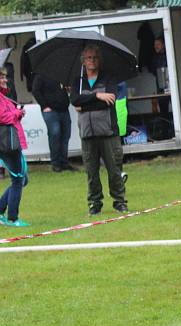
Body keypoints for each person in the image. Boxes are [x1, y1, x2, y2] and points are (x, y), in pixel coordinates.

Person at [71, 44, 127, 215]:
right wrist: (97, 96)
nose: (92, 61)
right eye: (88, 58)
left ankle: (120, 202)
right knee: (91, 172)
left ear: (99, 60)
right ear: (83, 61)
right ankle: (95, 204)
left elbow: (110, 99)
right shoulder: (78, 82)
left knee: (114, 169)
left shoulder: (109, 77)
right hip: (87, 133)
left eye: (95, 57)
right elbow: (75, 100)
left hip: (108, 131)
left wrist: (85, 103)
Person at [0, 66, 30, 227]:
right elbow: (4, 117)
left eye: (5, 76)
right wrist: (18, 113)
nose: (5, 80)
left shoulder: (4, 97)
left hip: (13, 142)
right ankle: (13, 218)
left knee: (22, 179)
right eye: (1, 77)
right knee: (18, 180)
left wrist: (17, 112)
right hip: (7, 144)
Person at [31, 73, 74, 172]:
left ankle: (64, 162)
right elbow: (35, 90)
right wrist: (44, 106)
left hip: (64, 109)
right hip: (51, 111)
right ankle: (56, 163)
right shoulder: (41, 75)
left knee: (66, 135)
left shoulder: (61, 75)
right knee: (55, 135)